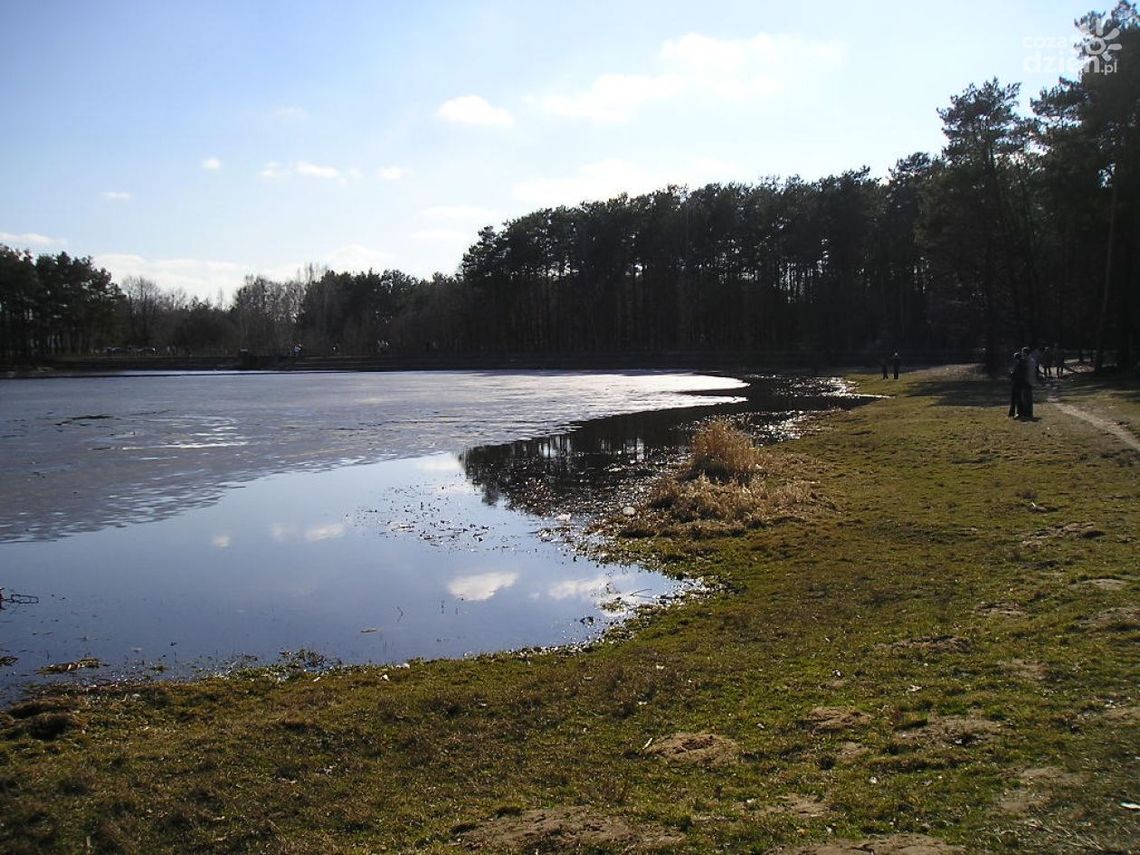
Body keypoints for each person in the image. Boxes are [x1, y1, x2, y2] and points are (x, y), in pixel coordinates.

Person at [1009, 350, 1028, 418]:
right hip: (1019, 382)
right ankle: (1014, 412)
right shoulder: (1022, 363)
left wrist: (1011, 373)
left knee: (1017, 398)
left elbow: (1015, 373)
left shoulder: (1019, 364)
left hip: (1017, 383)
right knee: (1017, 398)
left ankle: (1018, 413)